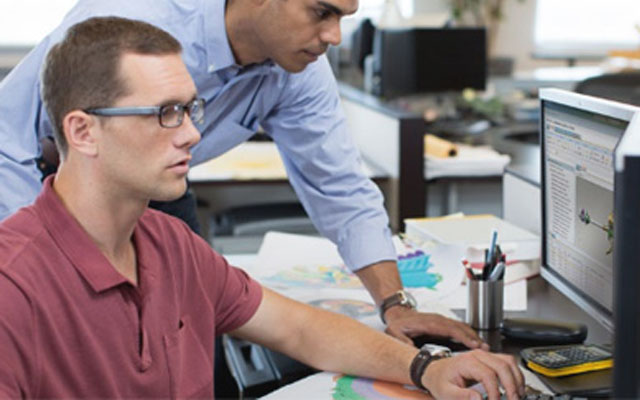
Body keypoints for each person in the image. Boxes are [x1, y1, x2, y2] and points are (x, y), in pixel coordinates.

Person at [0, 17, 526, 400]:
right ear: (83, 131)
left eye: (191, 108)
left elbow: (301, 328)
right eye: (166, 113)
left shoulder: (172, 246)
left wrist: (424, 367)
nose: (194, 134)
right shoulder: (14, 288)